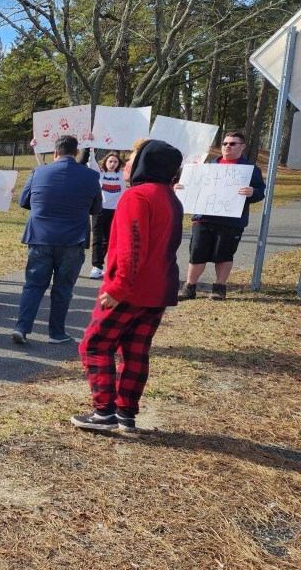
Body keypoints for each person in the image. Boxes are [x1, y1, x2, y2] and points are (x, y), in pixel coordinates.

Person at [72, 140, 184, 432]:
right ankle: (126, 412)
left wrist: (119, 288)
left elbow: (132, 248)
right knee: (136, 351)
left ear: (147, 163)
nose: (127, 164)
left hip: (130, 289)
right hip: (158, 290)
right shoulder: (171, 197)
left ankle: (104, 412)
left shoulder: (137, 196)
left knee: (94, 344)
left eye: (133, 158)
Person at [12, 135, 102, 345]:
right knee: (63, 288)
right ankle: (56, 332)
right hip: (73, 240)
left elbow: (24, 201)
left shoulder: (38, 172)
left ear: (55, 152)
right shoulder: (90, 176)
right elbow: (97, 208)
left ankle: (22, 327)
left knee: (33, 285)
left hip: (41, 237)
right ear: (76, 152)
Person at [177, 131, 266, 300]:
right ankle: (190, 288)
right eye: (225, 143)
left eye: (232, 144)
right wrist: (182, 188)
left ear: (242, 146)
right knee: (197, 253)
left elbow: (261, 192)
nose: (227, 146)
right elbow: (193, 186)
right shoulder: (208, 166)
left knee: (224, 254)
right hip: (203, 218)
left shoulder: (250, 170)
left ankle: (219, 288)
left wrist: (252, 192)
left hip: (231, 221)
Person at [88, 153, 127, 279]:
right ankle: (97, 266)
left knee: (110, 240)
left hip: (116, 211)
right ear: (105, 162)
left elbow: (135, 168)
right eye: (110, 161)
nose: (112, 164)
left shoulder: (122, 175)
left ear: (118, 163)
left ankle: (109, 267)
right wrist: (91, 147)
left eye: (115, 162)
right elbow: (91, 162)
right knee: (97, 239)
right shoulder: (99, 174)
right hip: (100, 210)